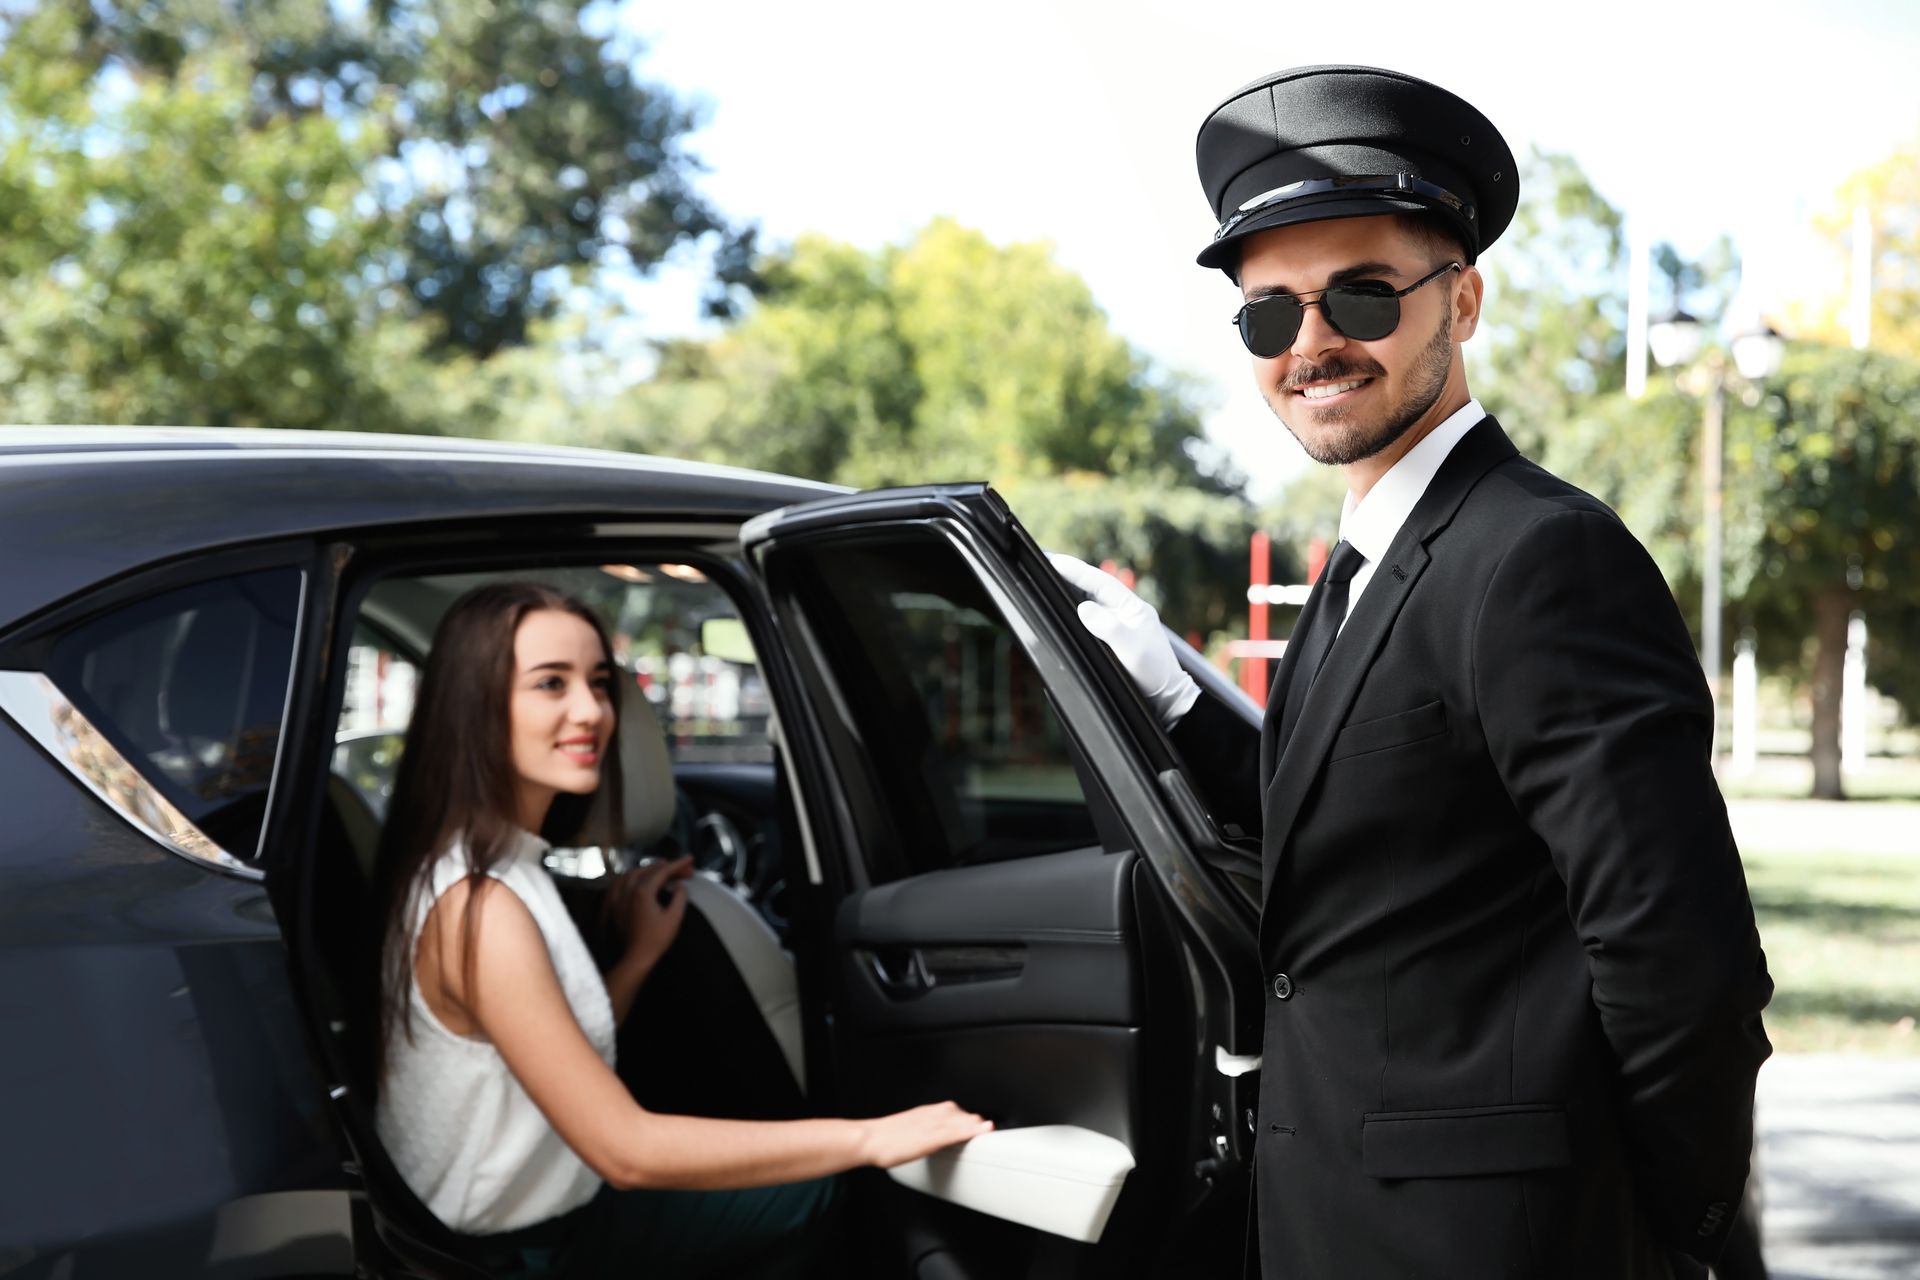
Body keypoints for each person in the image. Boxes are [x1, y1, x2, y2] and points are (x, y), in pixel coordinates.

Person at [1053, 65, 1772, 1279]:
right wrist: (1178, 698)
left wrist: (1667, 1225)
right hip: (1335, 1220)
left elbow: (1680, 958)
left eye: (1364, 295)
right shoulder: (1361, 567)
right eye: (1271, 315)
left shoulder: (1543, 555)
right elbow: (1366, 850)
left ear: (1465, 301)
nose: (1314, 342)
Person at [370, 581, 991, 1278]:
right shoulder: (481, 905)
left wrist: (637, 959)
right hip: (518, 1253)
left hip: (525, 1220)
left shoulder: (482, 864)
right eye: (551, 684)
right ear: (473, 708)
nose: (592, 712)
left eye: (600, 683)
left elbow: (551, 1056)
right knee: (822, 1198)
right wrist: (872, 1137)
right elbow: (626, 1152)